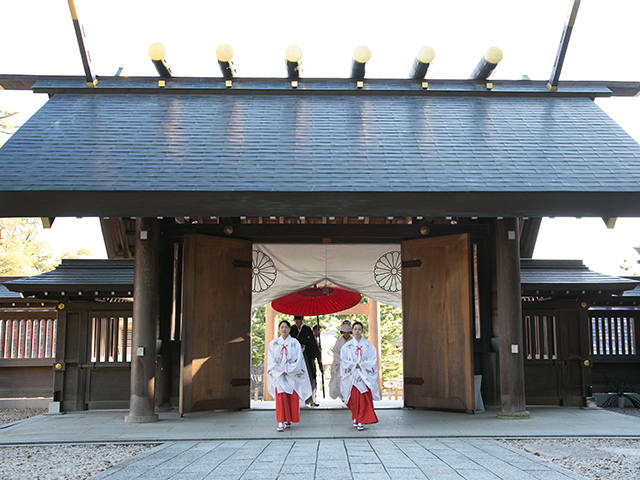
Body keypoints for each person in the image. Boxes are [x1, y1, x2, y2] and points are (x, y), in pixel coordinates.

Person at [266, 320, 312, 432]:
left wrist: (289, 370)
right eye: (282, 327)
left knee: (291, 397)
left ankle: (289, 419)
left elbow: (299, 359)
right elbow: (271, 360)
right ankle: (280, 421)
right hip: (279, 375)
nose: (284, 329)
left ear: (290, 329)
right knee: (281, 397)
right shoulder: (274, 343)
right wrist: (281, 370)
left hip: (292, 374)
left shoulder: (295, 343)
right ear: (279, 329)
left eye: (286, 327)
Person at [340, 321, 380, 431]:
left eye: (359, 329)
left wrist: (361, 365)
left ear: (362, 331)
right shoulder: (347, 346)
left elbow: (372, 359)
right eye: (355, 329)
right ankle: (356, 417)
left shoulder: (368, 345)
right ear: (352, 331)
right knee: (353, 399)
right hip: (352, 375)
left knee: (363, 399)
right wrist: (353, 365)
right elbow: (344, 360)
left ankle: (361, 420)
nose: (357, 331)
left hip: (363, 374)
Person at [290, 315, 323, 406]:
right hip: (295, 358)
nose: (298, 323)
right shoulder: (291, 330)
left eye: (300, 321)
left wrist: (315, 357)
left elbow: (312, 344)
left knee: (310, 376)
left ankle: (311, 399)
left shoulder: (307, 329)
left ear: (303, 321)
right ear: (294, 321)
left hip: (307, 357)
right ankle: (296, 399)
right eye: (296, 321)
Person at [329, 320, 352, 401]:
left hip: (350, 365)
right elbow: (336, 353)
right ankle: (343, 397)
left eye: (348, 332)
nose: (346, 334)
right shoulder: (339, 342)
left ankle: (348, 398)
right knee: (339, 381)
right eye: (344, 332)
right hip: (340, 365)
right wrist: (342, 362)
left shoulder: (353, 341)